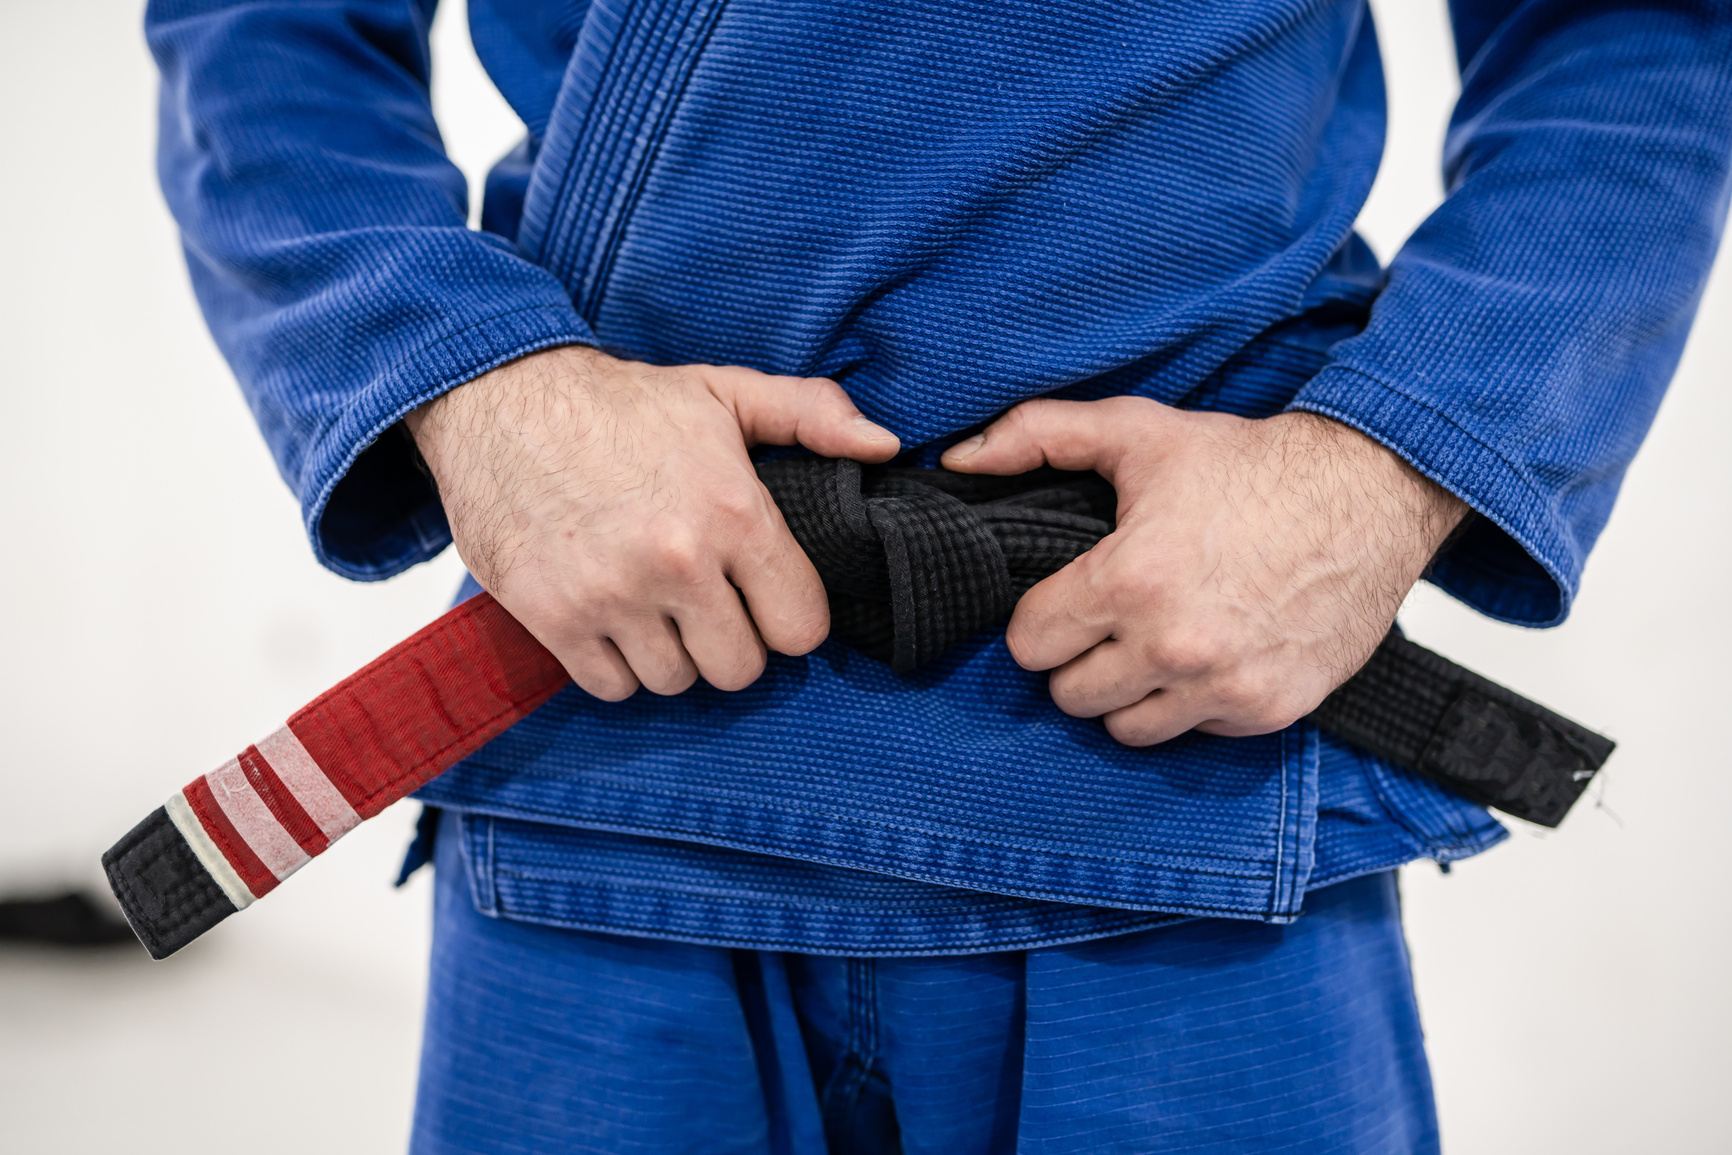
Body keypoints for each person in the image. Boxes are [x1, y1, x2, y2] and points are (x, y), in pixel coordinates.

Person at [144, 0, 1731, 1149]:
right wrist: (475, 388)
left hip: (1181, 790)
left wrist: (1377, 473)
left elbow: (1634, 30)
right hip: (617, 766)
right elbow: (259, 24)